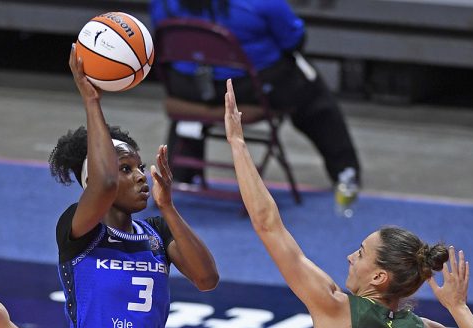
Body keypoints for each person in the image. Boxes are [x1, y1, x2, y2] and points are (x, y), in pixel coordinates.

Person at [223, 79, 473, 328]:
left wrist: (236, 144)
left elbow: (268, 224)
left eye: (360, 253)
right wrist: (458, 307)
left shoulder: (336, 310)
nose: (349, 258)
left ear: (378, 277)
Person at [25, 46, 219, 328]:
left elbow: (206, 278)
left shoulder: (156, 235)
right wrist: (92, 100)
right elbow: (105, 182)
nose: (140, 177)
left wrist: (168, 208)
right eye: (126, 169)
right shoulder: (79, 230)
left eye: (139, 167)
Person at [150, 0, 361, 192]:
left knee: (202, 81)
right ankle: (345, 171)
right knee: (311, 91)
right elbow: (294, 40)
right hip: (246, 91)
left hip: (187, 89)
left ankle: (182, 172)